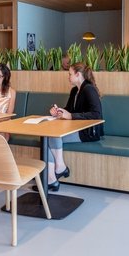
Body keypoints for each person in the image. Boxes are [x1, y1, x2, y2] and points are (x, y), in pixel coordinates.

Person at [41, 62, 103, 192]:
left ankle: (56, 174)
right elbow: (69, 110)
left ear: (78, 74)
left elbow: (96, 114)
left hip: (88, 132)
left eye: (70, 74)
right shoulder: (75, 90)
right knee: (46, 137)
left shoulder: (89, 89)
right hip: (75, 129)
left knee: (51, 136)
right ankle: (53, 176)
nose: (68, 77)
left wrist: (71, 116)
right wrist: (58, 112)